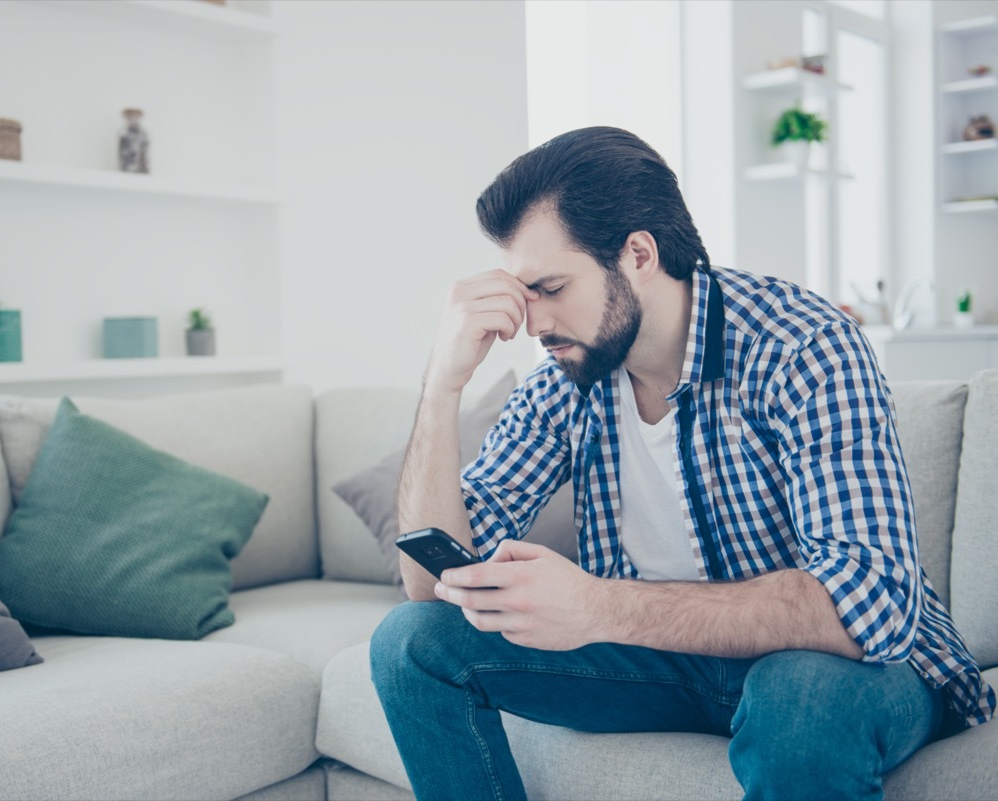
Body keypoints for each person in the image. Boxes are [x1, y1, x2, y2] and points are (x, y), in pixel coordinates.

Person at [369, 126, 994, 801]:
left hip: (838, 667)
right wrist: (442, 386)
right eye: (525, 296)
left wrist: (597, 605)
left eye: (550, 287)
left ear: (639, 253)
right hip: (667, 666)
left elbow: (866, 601)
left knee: (801, 698)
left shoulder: (801, 347)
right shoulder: (565, 381)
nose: (533, 323)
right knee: (410, 642)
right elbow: (430, 585)